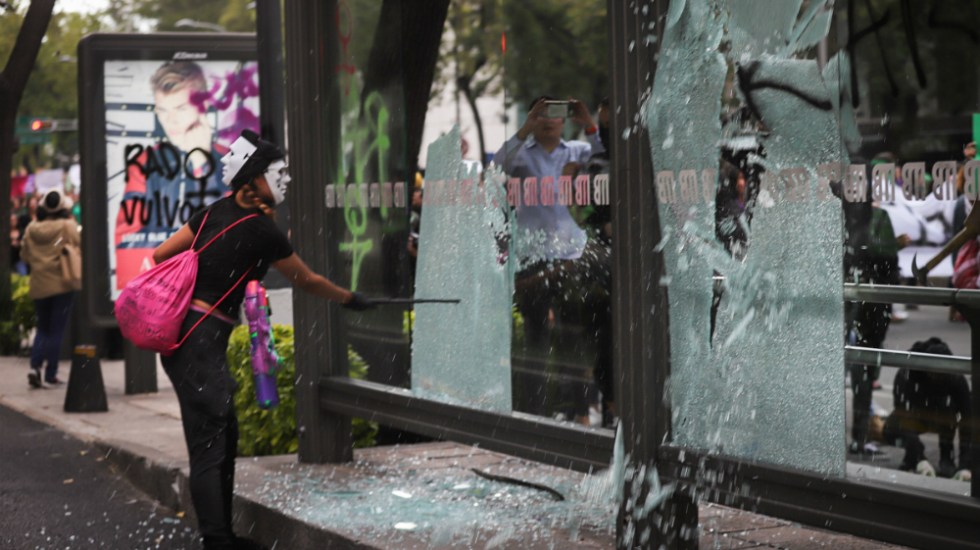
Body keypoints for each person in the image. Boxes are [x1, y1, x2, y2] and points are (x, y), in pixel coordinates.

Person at [152, 130, 371, 550]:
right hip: (199, 342)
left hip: (187, 337)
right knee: (209, 443)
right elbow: (305, 280)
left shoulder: (213, 212)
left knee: (223, 432)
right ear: (254, 178)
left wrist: (209, 274)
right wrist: (349, 298)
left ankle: (224, 535)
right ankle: (216, 540)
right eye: (279, 172)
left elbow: (163, 255)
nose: (286, 179)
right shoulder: (263, 232)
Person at [493, 95, 604, 423]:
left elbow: (606, 157)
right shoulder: (522, 156)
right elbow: (498, 164)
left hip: (570, 256)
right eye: (542, 114)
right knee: (536, 336)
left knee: (572, 335)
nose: (549, 120)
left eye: (555, 114)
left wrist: (588, 121)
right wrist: (524, 127)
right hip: (534, 258)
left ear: (564, 120)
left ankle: (579, 411)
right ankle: (534, 411)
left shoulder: (576, 151)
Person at [116, 60, 231, 290]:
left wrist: (201, 166)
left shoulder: (229, 160)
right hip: (164, 290)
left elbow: (230, 232)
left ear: (203, 106)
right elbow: (127, 244)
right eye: (163, 111)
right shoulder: (145, 163)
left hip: (215, 290)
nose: (171, 122)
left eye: (181, 108)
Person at [883, 338, 973, 480]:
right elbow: (903, 417)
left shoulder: (955, 378)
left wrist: (966, 466)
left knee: (948, 410)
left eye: (942, 374)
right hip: (916, 414)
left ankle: (946, 457)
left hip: (943, 414)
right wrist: (919, 458)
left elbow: (968, 422)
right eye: (935, 374)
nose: (937, 377)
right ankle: (913, 457)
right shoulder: (908, 375)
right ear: (927, 371)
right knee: (890, 430)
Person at [20, 189, 80, 387]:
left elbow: (24, 256)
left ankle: (34, 366)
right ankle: (51, 374)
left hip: (39, 284)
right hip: (62, 283)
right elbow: (78, 244)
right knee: (56, 330)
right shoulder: (67, 226)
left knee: (43, 328)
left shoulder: (31, 229)